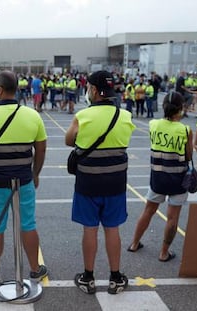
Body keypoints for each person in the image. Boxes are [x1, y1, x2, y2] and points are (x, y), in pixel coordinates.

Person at [0, 70, 48, 284]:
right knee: (28, 224)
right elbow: (40, 149)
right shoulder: (32, 115)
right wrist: (36, 173)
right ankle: (34, 269)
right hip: (23, 179)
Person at [65, 70, 135, 295]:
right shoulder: (125, 116)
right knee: (112, 229)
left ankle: (88, 277)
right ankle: (115, 277)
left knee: (90, 230)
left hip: (88, 184)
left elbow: (69, 140)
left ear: (93, 90)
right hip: (115, 183)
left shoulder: (83, 116)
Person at [128, 91, 192, 262]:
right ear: (180, 108)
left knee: (148, 210)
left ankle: (134, 243)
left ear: (163, 107)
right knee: (172, 217)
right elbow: (188, 156)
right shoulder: (185, 130)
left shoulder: (153, 124)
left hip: (158, 176)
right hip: (178, 179)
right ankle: (164, 253)